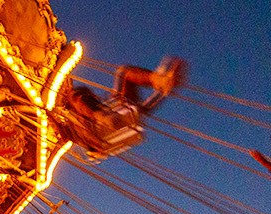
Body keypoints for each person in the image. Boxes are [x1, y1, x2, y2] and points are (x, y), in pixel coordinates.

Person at [53, 58, 187, 159]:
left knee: (137, 110)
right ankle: (159, 81)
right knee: (123, 74)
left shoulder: (76, 133)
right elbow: (78, 99)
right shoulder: (74, 110)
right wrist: (100, 115)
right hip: (104, 122)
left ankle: (162, 86)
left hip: (111, 130)